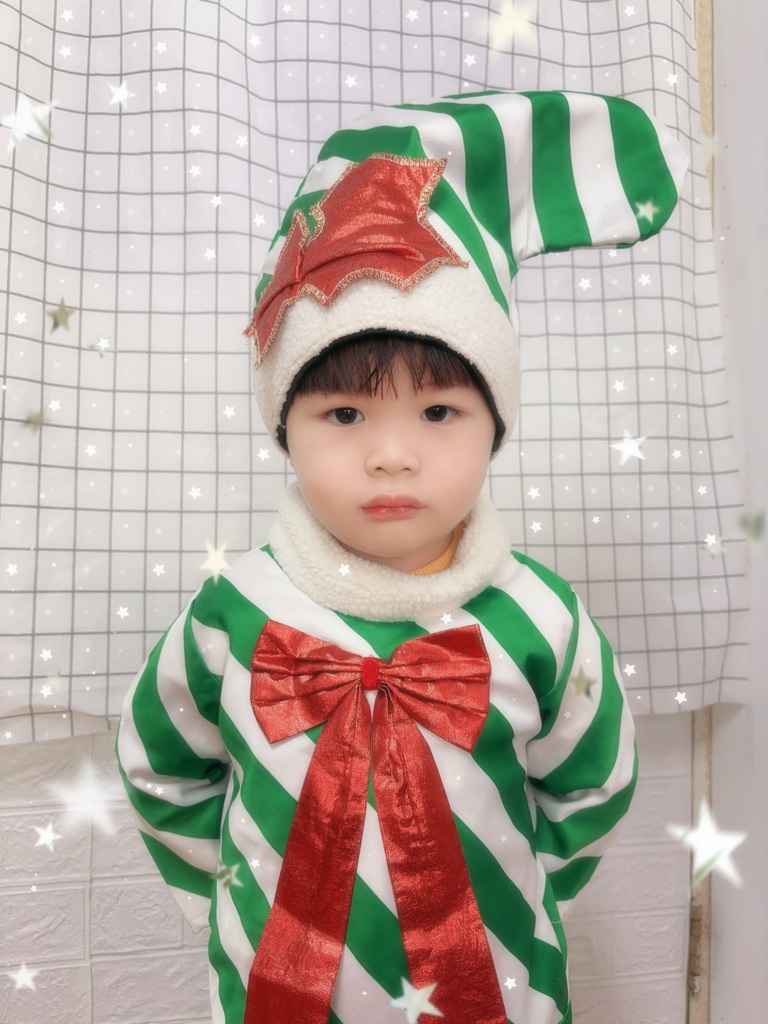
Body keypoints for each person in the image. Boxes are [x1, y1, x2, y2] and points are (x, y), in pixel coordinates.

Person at [116, 90, 687, 1024]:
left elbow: (594, 785)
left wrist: (516, 901)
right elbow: (159, 768)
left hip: (501, 993)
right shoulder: (233, 611)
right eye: (344, 413)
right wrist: (234, 896)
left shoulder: (541, 617)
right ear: (285, 428)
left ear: (496, 425)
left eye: (439, 411)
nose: (391, 454)